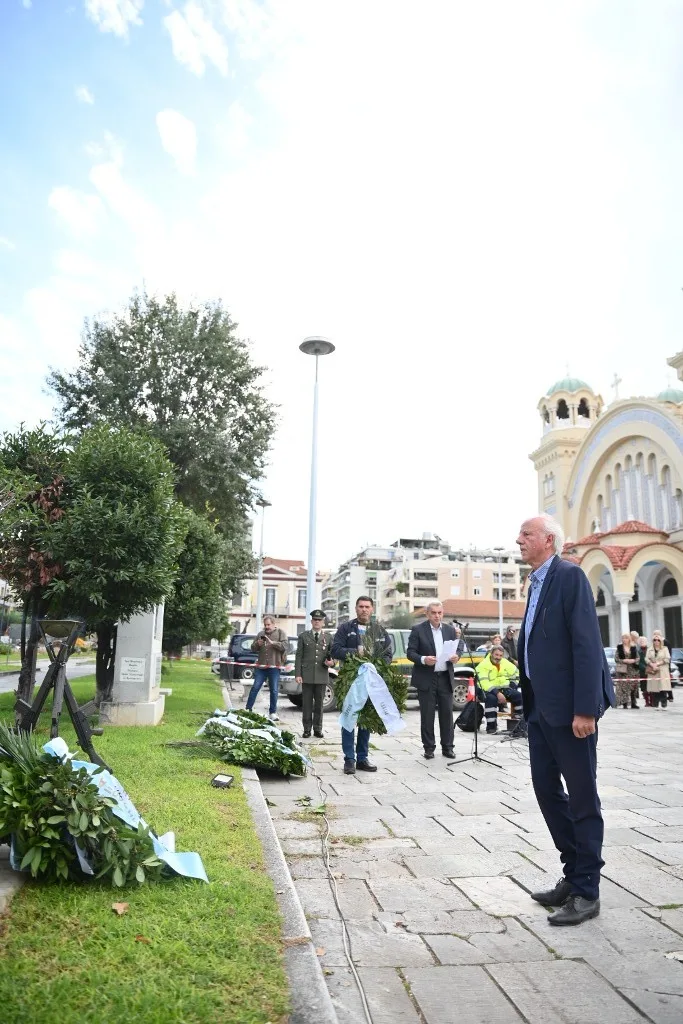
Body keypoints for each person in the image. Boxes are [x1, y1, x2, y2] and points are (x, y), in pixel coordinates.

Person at [517, 514, 614, 927]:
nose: (518, 540)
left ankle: (587, 891)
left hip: (570, 711)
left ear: (549, 540)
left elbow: (586, 644)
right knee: (545, 789)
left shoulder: (569, 577)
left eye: (526, 534)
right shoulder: (535, 583)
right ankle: (573, 873)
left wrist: (585, 709)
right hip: (541, 710)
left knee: (581, 797)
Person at [331, 596, 392, 775]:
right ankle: (349, 759)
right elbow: (335, 650)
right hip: (350, 682)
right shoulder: (345, 628)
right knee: (349, 718)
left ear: (372, 609)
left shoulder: (379, 631)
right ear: (355, 608)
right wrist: (354, 652)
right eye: (361, 606)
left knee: (366, 720)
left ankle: (362, 758)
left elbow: (388, 655)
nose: (364, 609)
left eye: (367, 607)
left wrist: (377, 666)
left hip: (370, 683)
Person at [407, 601, 459, 759]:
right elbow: (410, 652)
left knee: (447, 715)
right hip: (427, 678)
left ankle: (448, 747)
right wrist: (423, 659)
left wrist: (457, 656)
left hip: (445, 677)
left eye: (440, 613)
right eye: (434, 613)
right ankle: (429, 748)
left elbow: (458, 648)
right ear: (427, 614)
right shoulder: (418, 630)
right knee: (427, 715)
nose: (437, 616)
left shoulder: (450, 630)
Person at [295, 610, 334, 738]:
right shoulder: (303, 636)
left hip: (321, 675)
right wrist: (298, 674)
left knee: (319, 705)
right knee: (306, 704)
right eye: (315, 620)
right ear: (311, 621)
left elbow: (333, 656)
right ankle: (307, 729)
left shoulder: (328, 637)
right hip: (306, 675)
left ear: (323, 622)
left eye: (319, 620)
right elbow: (299, 656)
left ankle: (318, 729)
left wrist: (332, 663)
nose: (317, 622)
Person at [245, 616, 290, 721]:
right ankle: (248, 709)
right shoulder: (260, 634)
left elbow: (285, 646)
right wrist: (257, 644)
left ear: (274, 624)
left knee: (274, 690)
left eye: (269, 625)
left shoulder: (280, 633)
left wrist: (272, 643)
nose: (267, 627)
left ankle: (273, 712)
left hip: (275, 666)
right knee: (255, 687)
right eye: (265, 625)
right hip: (261, 666)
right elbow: (252, 648)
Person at [475, 644, 523, 733]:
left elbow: (517, 673)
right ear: (491, 653)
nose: (498, 657)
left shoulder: (505, 662)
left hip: (504, 689)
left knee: (519, 696)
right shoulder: (483, 665)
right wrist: (497, 693)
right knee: (491, 699)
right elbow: (484, 683)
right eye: (496, 655)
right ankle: (491, 727)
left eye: (500, 655)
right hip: (486, 690)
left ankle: (518, 725)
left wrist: (512, 686)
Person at [614, 633, 640, 709]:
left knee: (633, 687)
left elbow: (638, 658)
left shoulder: (633, 647)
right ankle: (624, 703)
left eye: (626, 638)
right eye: (623, 638)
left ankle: (633, 703)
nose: (624, 640)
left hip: (633, 670)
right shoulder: (619, 648)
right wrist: (624, 660)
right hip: (623, 671)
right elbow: (616, 659)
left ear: (629, 639)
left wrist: (633, 660)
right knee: (623, 687)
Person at [646, 635, 671, 708]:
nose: (656, 641)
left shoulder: (665, 648)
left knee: (663, 688)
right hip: (653, 670)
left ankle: (664, 704)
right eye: (655, 640)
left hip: (663, 670)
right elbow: (646, 659)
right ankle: (656, 704)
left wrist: (657, 663)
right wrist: (651, 664)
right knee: (654, 688)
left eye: (658, 640)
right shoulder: (649, 649)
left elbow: (667, 659)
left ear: (661, 641)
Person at [637, 636, 651, 706]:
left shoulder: (650, 650)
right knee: (644, 687)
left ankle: (652, 701)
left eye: (644, 641)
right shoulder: (638, 651)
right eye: (641, 641)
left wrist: (649, 667)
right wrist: (644, 668)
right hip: (642, 671)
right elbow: (638, 661)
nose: (642, 643)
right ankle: (647, 702)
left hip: (650, 670)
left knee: (651, 686)